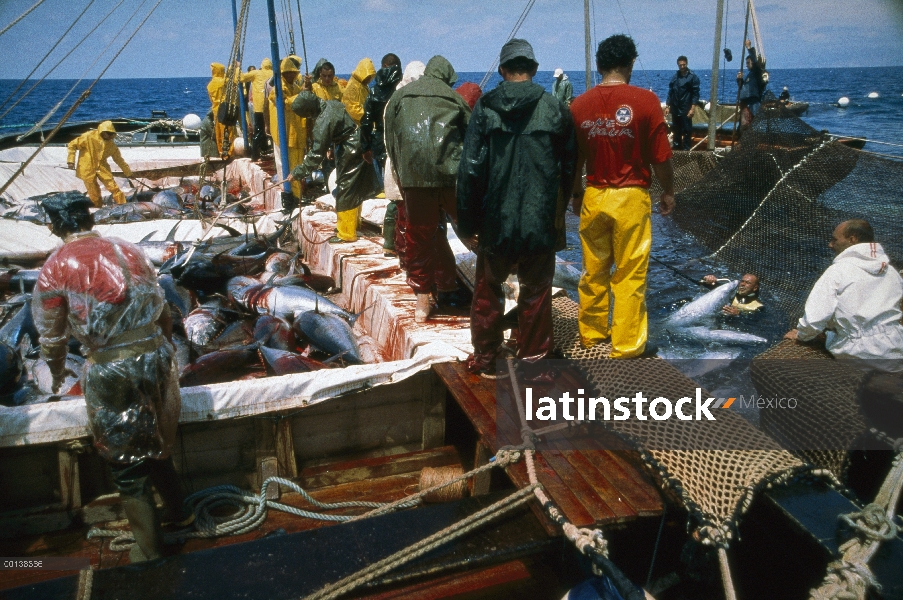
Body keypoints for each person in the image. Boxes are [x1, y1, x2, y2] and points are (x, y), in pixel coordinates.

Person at [32, 195, 186, 563]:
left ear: (55, 225)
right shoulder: (128, 249)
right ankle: (182, 513)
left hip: (111, 367)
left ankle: (148, 551)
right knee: (159, 441)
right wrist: (160, 350)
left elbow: (52, 338)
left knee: (127, 462)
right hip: (157, 356)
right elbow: (163, 308)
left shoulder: (55, 267)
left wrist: (55, 373)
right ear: (87, 218)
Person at [457, 39, 577, 377]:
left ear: (503, 71)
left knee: (487, 290)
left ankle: (486, 358)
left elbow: (470, 170)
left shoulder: (485, 108)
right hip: (540, 220)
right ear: (535, 70)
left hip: (496, 219)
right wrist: (557, 212)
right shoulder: (555, 108)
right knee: (536, 291)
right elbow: (568, 169)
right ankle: (535, 364)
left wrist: (467, 225)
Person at [569, 34, 675, 359]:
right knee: (629, 274)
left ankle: (591, 333)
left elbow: (573, 160)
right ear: (630, 63)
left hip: (594, 194)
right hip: (630, 197)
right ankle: (626, 345)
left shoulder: (579, 105)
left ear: (599, 65)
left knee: (593, 270)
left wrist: (575, 194)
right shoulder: (645, 101)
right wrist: (669, 191)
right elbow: (661, 157)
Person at [385, 55, 471, 322]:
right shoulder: (455, 97)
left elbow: (391, 138)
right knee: (471, 229)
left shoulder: (399, 97)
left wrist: (401, 175)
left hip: (413, 177)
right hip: (449, 175)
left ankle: (422, 303)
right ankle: (494, 286)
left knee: (419, 237)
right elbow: (471, 142)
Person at [784, 220, 903, 361]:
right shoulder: (891, 272)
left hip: (859, 352)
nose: (830, 244)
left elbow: (814, 319)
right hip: (896, 347)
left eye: (834, 240)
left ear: (852, 239)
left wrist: (801, 335)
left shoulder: (838, 271)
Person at [289, 91, 379, 243]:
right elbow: (339, 126)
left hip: (349, 148)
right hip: (358, 141)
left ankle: (346, 233)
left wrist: (298, 172)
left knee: (346, 188)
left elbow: (316, 154)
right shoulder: (332, 104)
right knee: (355, 186)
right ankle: (354, 224)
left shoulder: (322, 121)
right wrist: (332, 146)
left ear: (309, 112)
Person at [382, 61, 426, 262]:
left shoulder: (413, 99)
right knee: (401, 211)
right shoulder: (397, 102)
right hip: (400, 164)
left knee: (406, 211)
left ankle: (399, 249)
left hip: (412, 165)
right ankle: (402, 253)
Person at [267, 57, 307, 203]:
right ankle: (289, 195)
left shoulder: (296, 88)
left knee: (297, 165)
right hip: (283, 133)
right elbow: (281, 102)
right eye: (287, 73)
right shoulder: (278, 88)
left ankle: (297, 195)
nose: (290, 75)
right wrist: (300, 96)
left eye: (293, 72)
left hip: (296, 133)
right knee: (285, 165)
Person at [66, 121, 133, 207]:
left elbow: (119, 160)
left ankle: (122, 205)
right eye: (108, 133)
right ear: (102, 131)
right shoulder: (88, 136)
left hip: (102, 167)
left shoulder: (112, 145)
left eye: (111, 134)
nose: (110, 136)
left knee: (114, 187)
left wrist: (128, 173)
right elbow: (72, 145)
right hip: (87, 167)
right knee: (93, 192)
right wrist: (70, 161)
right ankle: (97, 207)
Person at [360, 54, 403, 174]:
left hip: (380, 140)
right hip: (401, 140)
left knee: (384, 182)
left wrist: (365, 148)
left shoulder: (374, 91)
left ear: (384, 66)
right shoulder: (404, 88)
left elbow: (366, 121)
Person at [240, 57, 274, 161]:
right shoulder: (274, 73)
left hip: (259, 108)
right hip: (272, 107)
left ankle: (255, 155)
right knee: (273, 131)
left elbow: (240, 78)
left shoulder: (256, 73)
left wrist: (237, 68)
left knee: (258, 131)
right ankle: (269, 150)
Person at [665, 55, 700, 150]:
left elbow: (695, 94)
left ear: (686, 64)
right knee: (676, 131)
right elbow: (670, 92)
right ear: (678, 65)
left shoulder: (692, 77)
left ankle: (686, 151)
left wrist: (692, 109)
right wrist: (667, 106)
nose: (682, 67)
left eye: (684, 65)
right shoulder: (675, 77)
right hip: (675, 108)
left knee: (687, 131)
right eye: (680, 65)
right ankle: (677, 150)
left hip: (686, 108)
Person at [736, 40, 765, 128]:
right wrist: (739, 80)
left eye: (748, 63)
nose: (747, 65)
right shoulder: (750, 75)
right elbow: (743, 88)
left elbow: (755, 62)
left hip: (753, 104)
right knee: (743, 127)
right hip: (745, 104)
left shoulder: (757, 72)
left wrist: (749, 48)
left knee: (751, 126)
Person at [342, 58, 376, 126]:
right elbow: (352, 108)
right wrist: (369, 116)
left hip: (362, 123)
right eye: (367, 76)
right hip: (354, 125)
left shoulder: (363, 85)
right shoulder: (353, 86)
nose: (369, 79)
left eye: (370, 76)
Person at [207, 62, 227, 155]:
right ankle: (229, 151)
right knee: (227, 130)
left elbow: (211, 98)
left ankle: (220, 151)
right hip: (224, 107)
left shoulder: (210, 84)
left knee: (218, 131)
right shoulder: (224, 81)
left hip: (215, 108)